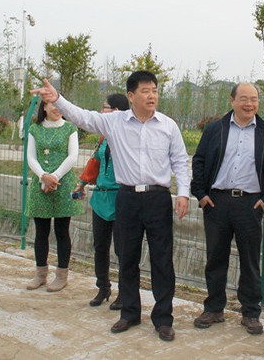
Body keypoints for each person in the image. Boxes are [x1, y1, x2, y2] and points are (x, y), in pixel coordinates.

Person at [32, 71, 189, 342]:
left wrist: (183, 193)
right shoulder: (115, 122)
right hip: (126, 197)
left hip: (158, 199)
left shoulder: (168, 125)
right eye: (145, 91)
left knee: (162, 259)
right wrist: (57, 98)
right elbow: (82, 117)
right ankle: (129, 312)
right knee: (127, 257)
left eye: (154, 90)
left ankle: (163, 319)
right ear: (131, 96)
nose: (151, 95)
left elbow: (180, 161)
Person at [190, 82, 264, 335]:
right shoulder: (215, 129)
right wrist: (201, 194)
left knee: (250, 261)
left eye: (254, 99)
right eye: (244, 98)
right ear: (232, 100)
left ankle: (251, 312)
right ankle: (214, 308)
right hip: (217, 202)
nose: (249, 104)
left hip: (250, 204)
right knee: (215, 258)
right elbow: (199, 160)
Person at [73, 93, 130, 309]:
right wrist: (81, 183)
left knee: (123, 250)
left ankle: (125, 292)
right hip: (101, 197)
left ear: (116, 111)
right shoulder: (103, 136)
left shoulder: (128, 135)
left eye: (104, 107)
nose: (101, 111)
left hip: (121, 198)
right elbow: (95, 161)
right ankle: (103, 287)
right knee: (100, 246)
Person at [25, 101, 83, 292]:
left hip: (63, 184)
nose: (57, 109)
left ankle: (61, 275)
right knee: (41, 231)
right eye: (52, 105)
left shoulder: (70, 128)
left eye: (60, 105)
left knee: (62, 230)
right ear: (44, 108)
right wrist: (43, 176)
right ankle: (40, 274)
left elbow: (73, 156)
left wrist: (55, 176)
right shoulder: (34, 129)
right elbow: (31, 157)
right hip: (40, 185)